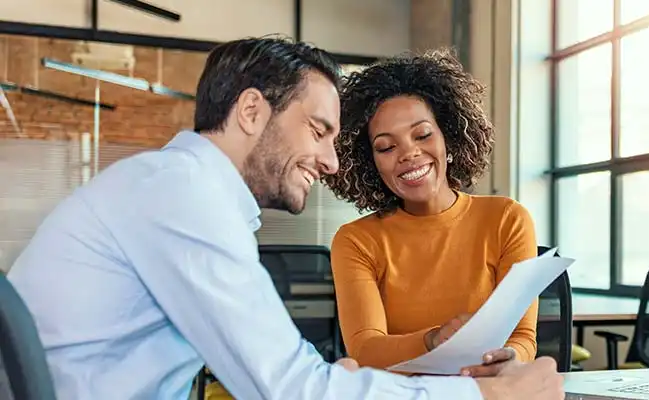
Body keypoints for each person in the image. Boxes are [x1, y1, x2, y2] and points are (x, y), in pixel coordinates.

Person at [6, 36, 563, 399]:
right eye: (319, 130)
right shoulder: (182, 196)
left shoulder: (180, 191)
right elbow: (287, 389)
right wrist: (488, 396)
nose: (331, 160)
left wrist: (338, 381)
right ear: (252, 111)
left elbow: (282, 375)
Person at [323, 49, 540, 378]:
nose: (409, 153)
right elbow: (365, 349)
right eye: (386, 147)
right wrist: (434, 340)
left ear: (449, 140)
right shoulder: (355, 240)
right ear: (371, 163)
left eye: (422, 135)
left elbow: (522, 338)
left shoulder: (507, 219)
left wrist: (510, 359)